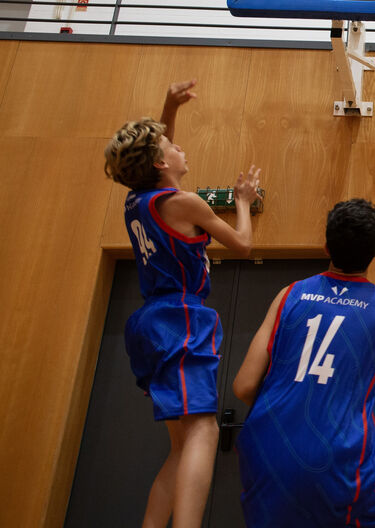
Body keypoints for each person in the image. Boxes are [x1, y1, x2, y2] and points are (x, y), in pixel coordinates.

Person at [103, 78, 261, 528]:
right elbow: (243, 247)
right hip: (181, 317)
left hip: (150, 321)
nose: (179, 147)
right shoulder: (183, 203)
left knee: (181, 445)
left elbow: (156, 153)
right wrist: (243, 202)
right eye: (172, 144)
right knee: (205, 430)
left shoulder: (138, 201)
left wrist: (169, 108)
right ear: (159, 161)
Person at [233, 198, 375, 528]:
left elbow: (243, 386)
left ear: (325, 246)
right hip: (337, 455)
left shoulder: (289, 294)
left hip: (267, 447)